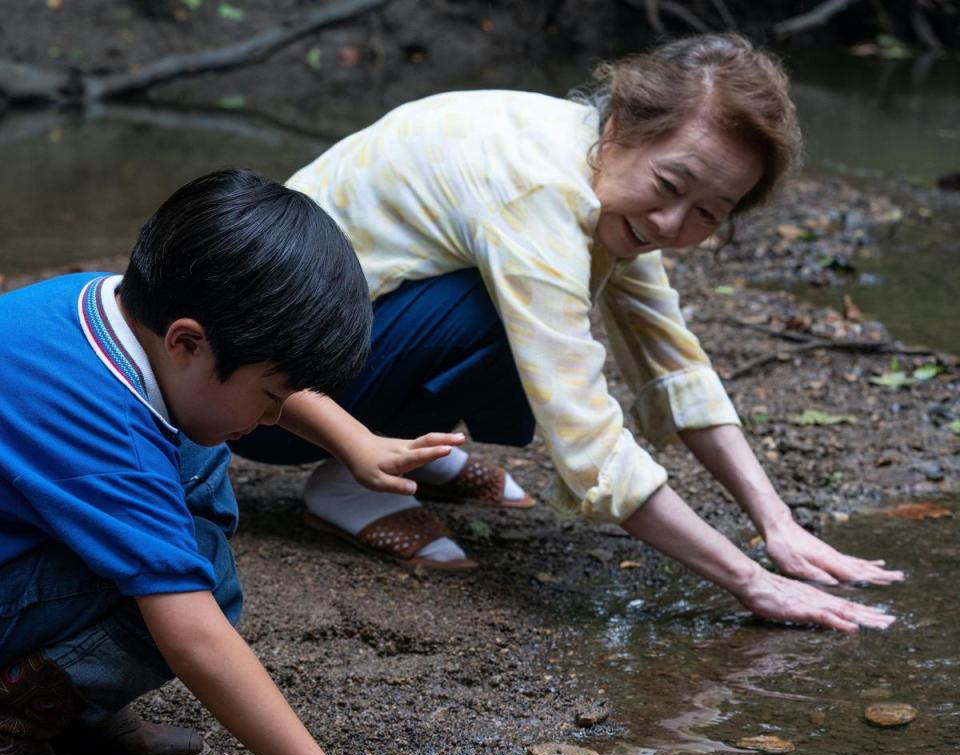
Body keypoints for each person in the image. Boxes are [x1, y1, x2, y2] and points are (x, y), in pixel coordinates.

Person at [232, 33, 904, 630]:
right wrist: (753, 583)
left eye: (708, 211)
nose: (673, 223)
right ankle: (353, 478)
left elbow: (671, 364)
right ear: (619, 127)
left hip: (330, 347)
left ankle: (408, 439)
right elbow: (587, 439)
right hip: (263, 401)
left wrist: (777, 522)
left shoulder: (597, 173)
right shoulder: (543, 195)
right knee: (503, 313)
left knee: (525, 299)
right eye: (671, 184)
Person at [0, 169, 461, 755]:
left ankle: (68, 702)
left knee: (194, 456)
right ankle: (18, 716)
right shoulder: (109, 436)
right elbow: (196, 638)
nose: (273, 415)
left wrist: (356, 441)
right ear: (187, 343)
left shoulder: (110, 304)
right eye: (270, 396)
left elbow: (254, 367)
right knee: (204, 575)